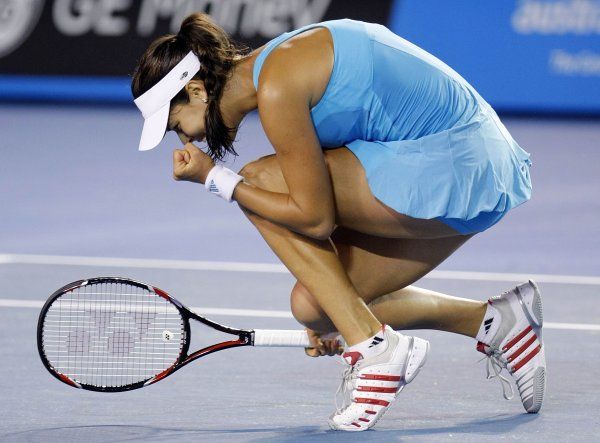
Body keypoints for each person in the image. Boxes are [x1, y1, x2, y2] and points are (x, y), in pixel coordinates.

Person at [131, 13, 545, 431]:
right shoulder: (273, 67)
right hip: (478, 171)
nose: (187, 139)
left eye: (176, 125)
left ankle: (377, 350)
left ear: (197, 90)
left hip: (463, 163)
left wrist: (214, 179)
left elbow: (314, 220)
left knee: (257, 181)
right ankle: (497, 322)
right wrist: (337, 308)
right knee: (313, 305)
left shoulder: (279, 85)